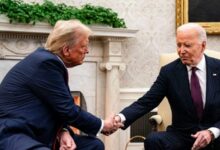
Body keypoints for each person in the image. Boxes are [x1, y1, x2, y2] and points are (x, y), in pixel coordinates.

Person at [0, 20, 122, 150]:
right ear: (66, 50)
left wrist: (63, 131)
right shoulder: (46, 64)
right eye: (83, 46)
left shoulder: (46, 60)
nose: (87, 51)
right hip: (15, 133)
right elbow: (68, 109)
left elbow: (56, 107)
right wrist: (103, 125)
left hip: (39, 131)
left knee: (94, 145)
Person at [114, 23, 220, 150]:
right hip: (182, 136)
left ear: (203, 46)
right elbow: (146, 102)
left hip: (215, 135)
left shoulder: (218, 68)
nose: (181, 51)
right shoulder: (169, 72)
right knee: (153, 140)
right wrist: (119, 118)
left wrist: (212, 132)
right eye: (178, 45)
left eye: (187, 45)